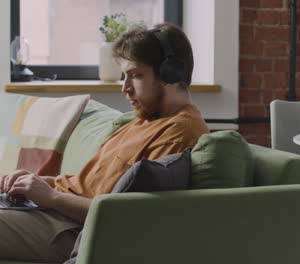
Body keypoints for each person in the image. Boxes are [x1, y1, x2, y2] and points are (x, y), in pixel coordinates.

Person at [0, 23, 209, 262]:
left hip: (74, 228)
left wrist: (51, 197)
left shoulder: (180, 131)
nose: (125, 88)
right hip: (52, 209)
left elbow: (128, 217)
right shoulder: (142, 120)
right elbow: (88, 185)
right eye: (124, 76)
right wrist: (36, 184)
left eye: (136, 75)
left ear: (170, 74)